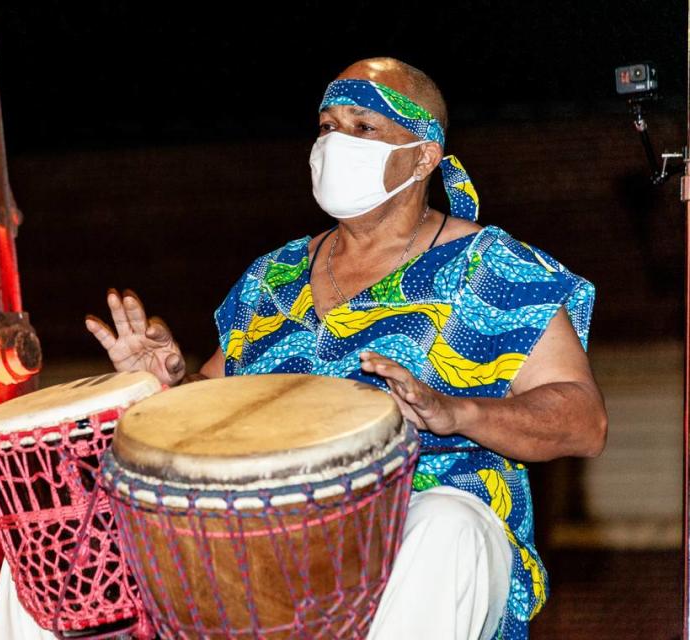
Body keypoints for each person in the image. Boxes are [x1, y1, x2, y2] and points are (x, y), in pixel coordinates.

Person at [86, 57, 607, 640]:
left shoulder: (489, 268)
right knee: (83, 539)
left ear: (424, 155)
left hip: (429, 527)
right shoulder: (272, 278)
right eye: (328, 126)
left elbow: (584, 421)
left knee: (446, 522)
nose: (338, 143)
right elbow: (214, 420)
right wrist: (162, 387)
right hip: (274, 544)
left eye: (364, 128)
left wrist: (459, 412)